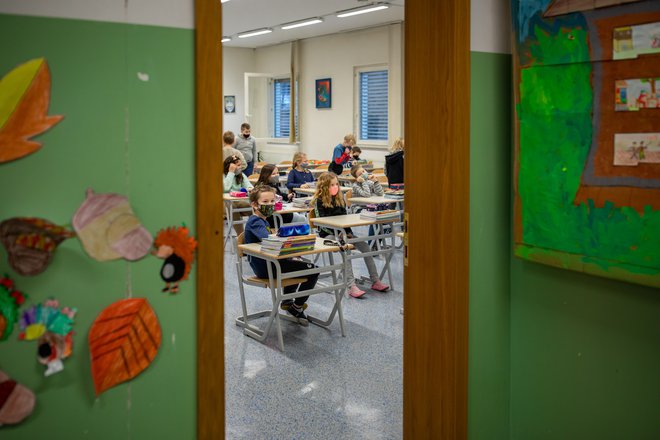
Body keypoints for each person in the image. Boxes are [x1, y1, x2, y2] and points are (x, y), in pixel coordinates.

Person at [244, 185, 318, 325]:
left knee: (299, 263)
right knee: (313, 270)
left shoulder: (262, 220)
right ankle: (296, 306)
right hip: (267, 268)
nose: (270, 205)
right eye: (265, 202)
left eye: (272, 201)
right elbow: (269, 240)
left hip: (273, 263)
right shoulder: (255, 221)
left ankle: (288, 301)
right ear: (254, 204)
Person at [312, 173, 389, 298]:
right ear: (324, 186)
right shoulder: (319, 201)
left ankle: (375, 280)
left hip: (343, 234)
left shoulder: (339, 198)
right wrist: (339, 234)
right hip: (328, 236)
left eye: (336, 184)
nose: (335, 187)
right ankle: (351, 285)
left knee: (365, 246)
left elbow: (345, 219)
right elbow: (321, 224)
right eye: (332, 185)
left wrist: (349, 233)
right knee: (345, 249)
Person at [223, 155, 253, 234]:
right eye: (238, 165)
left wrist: (247, 189)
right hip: (223, 202)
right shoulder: (222, 175)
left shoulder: (241, 175)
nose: (240, 167)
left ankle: (253, 230)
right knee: (232, 207)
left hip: (238, 200)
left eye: (240, 165)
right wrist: (231, 172)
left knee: (252, 208)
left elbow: (250, 186)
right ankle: (241, 235)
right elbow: (225, 188)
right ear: (230, 166)